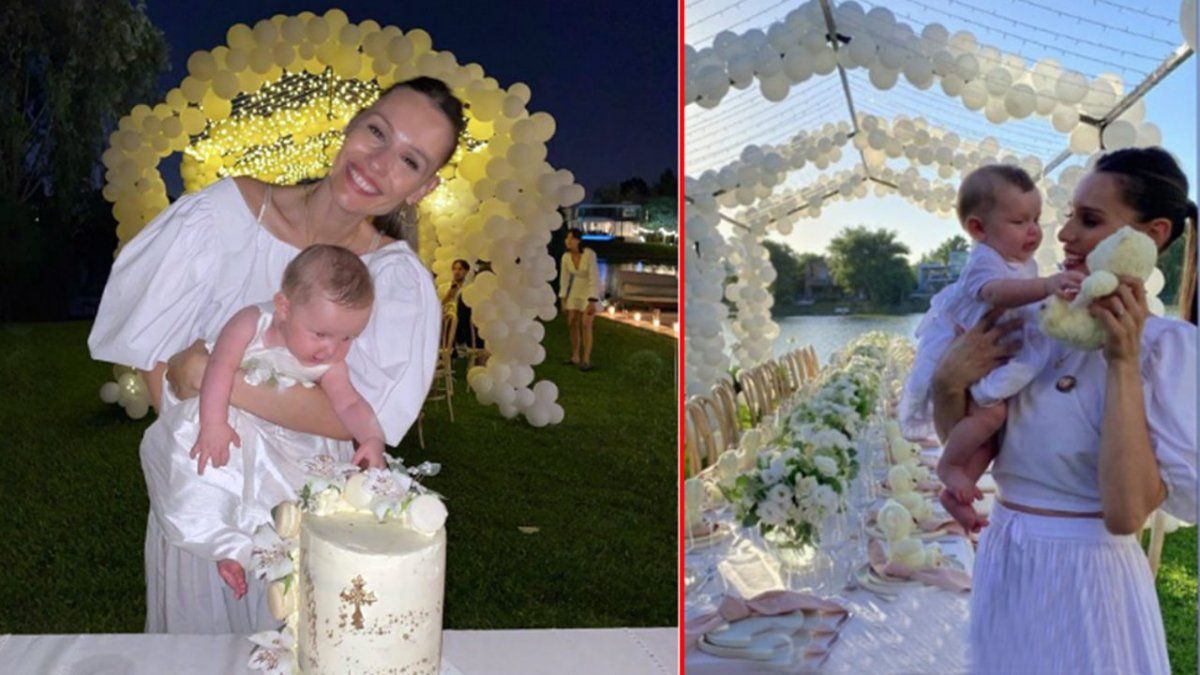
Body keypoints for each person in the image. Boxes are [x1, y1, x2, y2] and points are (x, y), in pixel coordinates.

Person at [88, 77, 465, 633]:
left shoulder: (393, 280)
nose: (378, 163)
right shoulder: (221, 217)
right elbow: (151, 347)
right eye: (377, 132)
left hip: (314, 519)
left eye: (408, 160)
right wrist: (199, 481)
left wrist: (211, 377)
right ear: (353, 122)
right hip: (206, 492)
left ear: (422, 188)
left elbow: (359, 415)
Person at [932, 147, 1197, 674]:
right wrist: (947, 382)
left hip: (1088, 578)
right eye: (1071, 214)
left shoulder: (1167, 350)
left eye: (1089, 220)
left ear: (1152, 236)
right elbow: (970, 449)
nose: (1064, 234)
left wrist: (1122, 362)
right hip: (1006, 553)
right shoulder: (1037, 325)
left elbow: (1125, 516)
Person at [141, 245, 388, 602]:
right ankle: (224, 545)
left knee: (282, 491)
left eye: (347, 338)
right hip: (220, 410)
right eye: (321, 334)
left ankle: (253, 553)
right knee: (205, 473)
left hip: (279, 438)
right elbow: (219, 369)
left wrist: (372, 437)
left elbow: (349, 402)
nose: (332, 350)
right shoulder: (250, 322)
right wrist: (213, 423)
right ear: (284, 308)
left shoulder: (331, 361)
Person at [899, 165, 1083, 503]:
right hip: (963, 348)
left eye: (1036, 220)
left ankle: (959, 489)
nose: (1034, 232)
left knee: (996, 432)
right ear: (977, 228)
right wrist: (1047, 286)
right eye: (1019, 222)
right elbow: (995, 294)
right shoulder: (984, 260)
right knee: (993, 415)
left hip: (988, 352)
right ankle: (950, 465)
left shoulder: (1017, 261)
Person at [559, 227, 601, 371]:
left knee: (586, 324)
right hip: (575, 290)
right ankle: (575, 356)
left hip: (589, 290)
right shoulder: (565, 257)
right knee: (571, 322)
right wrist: (563, 298)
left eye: (571, 238)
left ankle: (586, 359)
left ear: (578, 240)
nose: (568, 241)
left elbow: (594, 276)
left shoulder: (589, 254)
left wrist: (592, 300)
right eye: (567, 238)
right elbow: (564, 279)